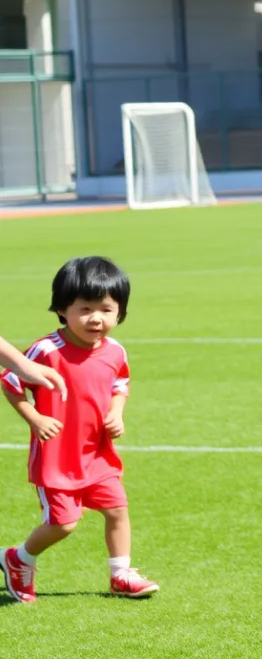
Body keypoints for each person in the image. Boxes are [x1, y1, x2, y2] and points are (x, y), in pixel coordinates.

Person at [2, 257, 159, 603]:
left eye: (106, 309)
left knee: (117, 510)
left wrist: (117, 413)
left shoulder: (115, 351)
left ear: (120, 312)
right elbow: (11, 382)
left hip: (98, 454)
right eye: (85, 309)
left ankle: (121, 574)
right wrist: (35, 418)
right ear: (62, 310)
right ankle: (18, 557)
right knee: (63, 523)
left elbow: (120, 384)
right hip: (57, 457)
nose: (96, 318)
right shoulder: (46, 350)